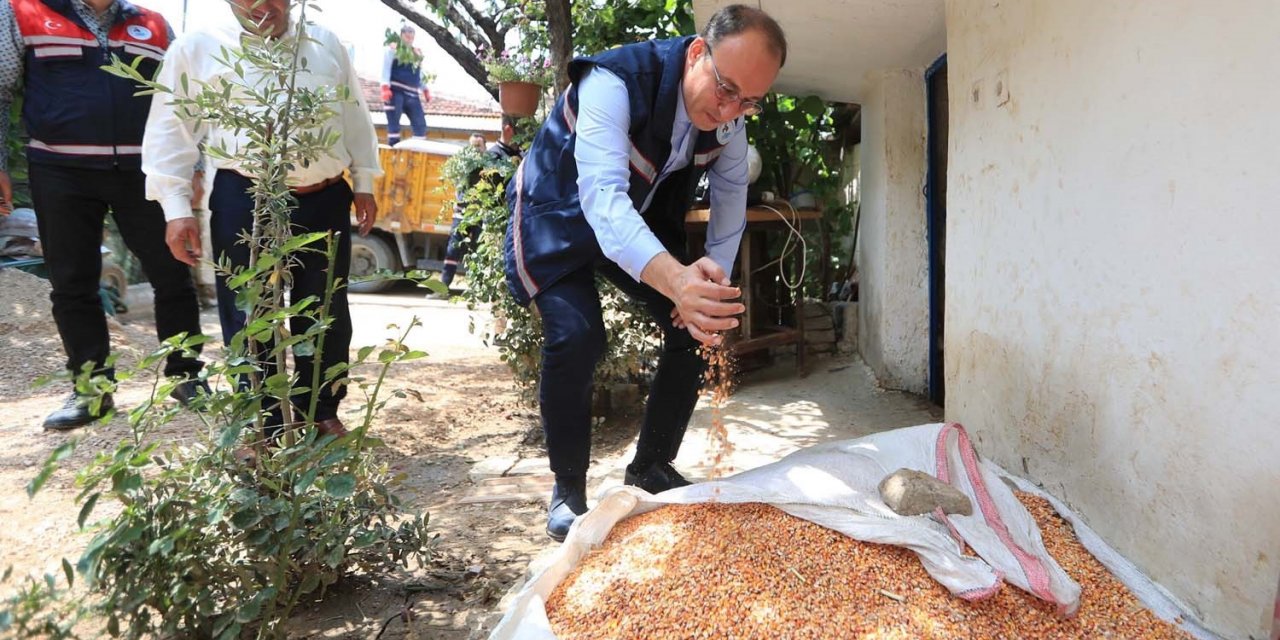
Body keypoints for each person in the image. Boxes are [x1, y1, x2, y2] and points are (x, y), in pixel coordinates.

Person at [505, 4, 786, 540]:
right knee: (578, 334)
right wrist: (677, 280)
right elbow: (604, 200)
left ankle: (651, 466)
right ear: (698, 52)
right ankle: (567, 492)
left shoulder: (731, 121)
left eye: (749, 101)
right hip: (559, 213)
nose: (731, 110)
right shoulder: (615, 80)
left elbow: (731, 197)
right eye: (726, 90)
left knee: (693, 327)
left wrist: (709, 284)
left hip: (635, 222)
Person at [142, 0, 381, 438]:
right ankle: (262, 422)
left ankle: (320, 410)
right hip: (244, 196)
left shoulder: (325, 43)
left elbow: (353, 115)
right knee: (250, 313)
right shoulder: (197, 47)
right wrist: (176, 209)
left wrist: (364, 178)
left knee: (327, 311)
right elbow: (169, 130)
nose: (259, 5)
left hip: (324, 197)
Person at [0, 0, 207, 431]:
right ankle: (92, 392)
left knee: (173, 274)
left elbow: (181, 102)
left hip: (145, 171)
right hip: (59, 170)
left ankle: (186, 376)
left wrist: (194, 166)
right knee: (72, 283)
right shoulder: (22, 12)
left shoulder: (152, 24)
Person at [438, 117, 521, 293]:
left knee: (479, 251)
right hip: (462, 214)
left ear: (484, 147)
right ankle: (443, 287)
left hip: (481, 215)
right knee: (453, 250)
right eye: (473, 146)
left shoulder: (490, 161)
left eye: (479, 146)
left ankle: (478, 289)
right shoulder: (468, 164)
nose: (476, 150)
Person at [381, 24, 430, 146]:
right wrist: (385, 87)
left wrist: (425, 89)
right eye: (406, 36)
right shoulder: (393, 49)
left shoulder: (417, 53)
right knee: (394, 125)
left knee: (420, 125)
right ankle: (393, 151)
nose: (409, 38)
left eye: (411, 36)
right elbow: (385, 68)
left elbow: (420, 73)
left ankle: (418, 151)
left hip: (412, 94)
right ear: (401, 35)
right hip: (396, 91)